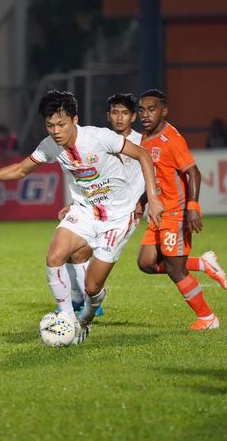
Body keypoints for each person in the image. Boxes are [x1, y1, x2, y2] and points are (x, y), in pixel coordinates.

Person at [0, 90, 164, 343]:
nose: (55, 130)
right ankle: (68, 319)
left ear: (74, 120)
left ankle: (86, 318)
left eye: (61, 124)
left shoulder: (100, 138)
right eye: (50, 125)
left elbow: (143, 155)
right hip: (85, 210)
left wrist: (153, 200)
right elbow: (22, 169)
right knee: (54, 255)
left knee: (92, 288)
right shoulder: (50, 146)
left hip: (118, 216)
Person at [135, 89, 227, 331]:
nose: (145, 115)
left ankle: (207, 318)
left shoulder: (171, 140)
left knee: (175, 269)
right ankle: (203, 264)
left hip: (174, 213)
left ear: (164, 111)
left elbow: (193, 173)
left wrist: (192, 206)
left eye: (151, 109)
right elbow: (156, 177)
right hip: (157, 212)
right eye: (142, 110)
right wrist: (144, 201)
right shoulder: (145, 137)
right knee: (145, 263)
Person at [59, 93, 147, 317]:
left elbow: (154, 172)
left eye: (125, 113)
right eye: (115, 113)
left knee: (80, 254)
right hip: (99, 209)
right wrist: (75, 204)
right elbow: (97, 181)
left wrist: (144, 200)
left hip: (124, 213)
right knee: (74, 253)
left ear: (133, 116)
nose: (119, 118)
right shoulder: (101, 139)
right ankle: (86, 301)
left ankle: (86, 301)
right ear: (108, 116)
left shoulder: (141, 142)